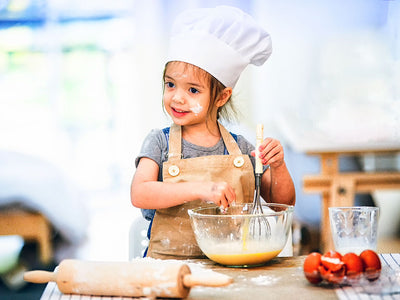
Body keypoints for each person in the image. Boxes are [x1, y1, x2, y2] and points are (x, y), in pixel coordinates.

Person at [130, 6, 295, 259]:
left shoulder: (241, 149)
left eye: (193, 90)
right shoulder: (159, 142)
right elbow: (140, 193)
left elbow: (282, 203)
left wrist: (279, 166)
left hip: (232, 266)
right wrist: (200, 188)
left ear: (221, 96)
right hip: (168, 268)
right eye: (170, 85)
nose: (177, 98)